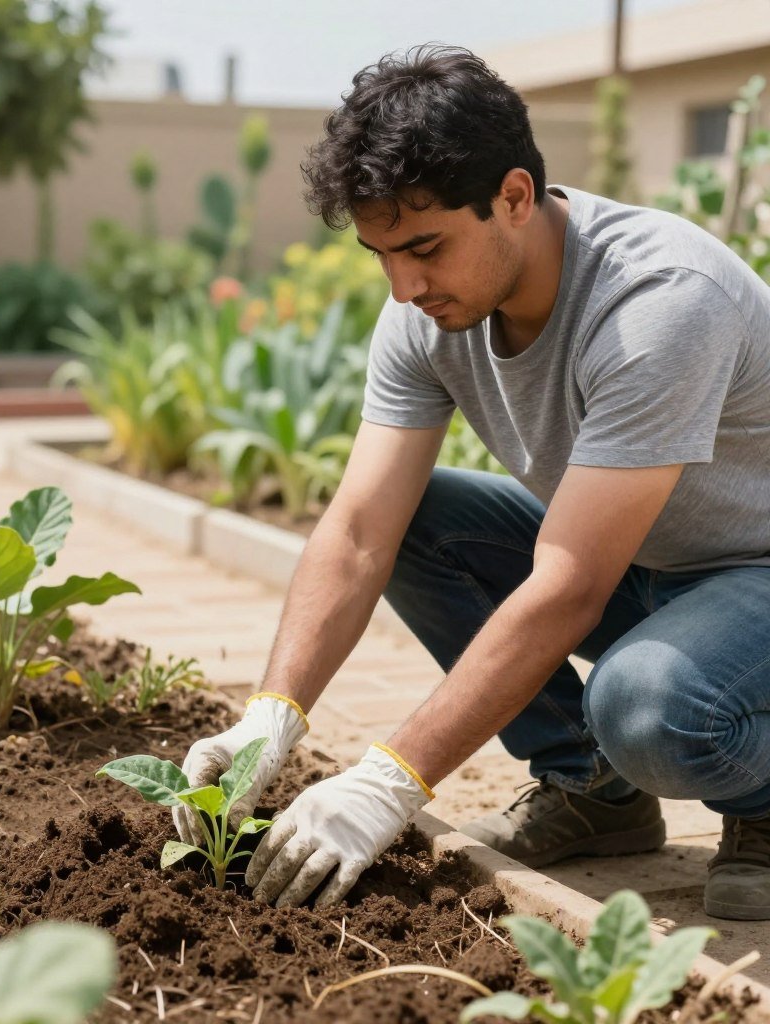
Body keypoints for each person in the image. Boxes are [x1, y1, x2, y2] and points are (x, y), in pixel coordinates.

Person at [173, 44, 770, 920]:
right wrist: (273, 714)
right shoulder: (427, 313)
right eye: (382, 255)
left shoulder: (658, 300)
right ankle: (592, 790)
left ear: (515, 197)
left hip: (754, 568)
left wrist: (390, 780)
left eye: (424, 248)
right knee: (418, 521)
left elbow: (569, 587)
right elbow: (360, 531)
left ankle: (763, 802)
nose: (404, 286)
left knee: (648, 706)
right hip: (651, 560)